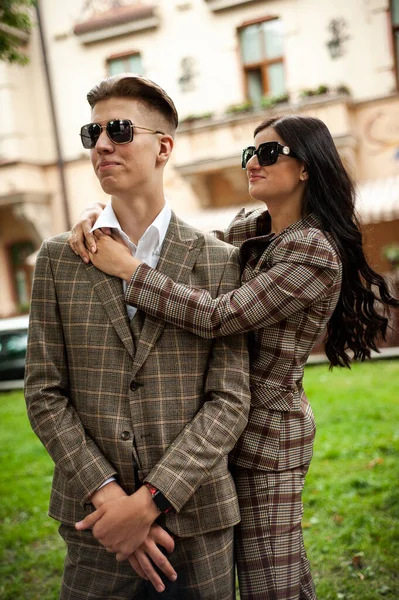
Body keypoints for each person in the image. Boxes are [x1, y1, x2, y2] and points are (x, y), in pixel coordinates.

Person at [70, 113, 399, 600]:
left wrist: (131, 270)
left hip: (269, 439)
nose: (253, 163)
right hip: (223, 431)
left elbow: (221, 315)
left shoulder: (313, 251)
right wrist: (109, 216)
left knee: (272, 583)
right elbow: (187, 256)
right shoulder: (252, 228)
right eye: (251, 153)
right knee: (277, 571)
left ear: (307, 167)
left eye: (269, 153)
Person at [24, 74, 251, 600]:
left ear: (163, 147)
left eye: (120, 130)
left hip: (197, 520)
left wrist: (149, 502)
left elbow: (229, 400)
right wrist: (110, 499)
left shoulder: (219, 261)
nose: (102, 144)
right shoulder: (60, 258)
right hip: (95, 528)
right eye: (92, 133)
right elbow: (43, 393)